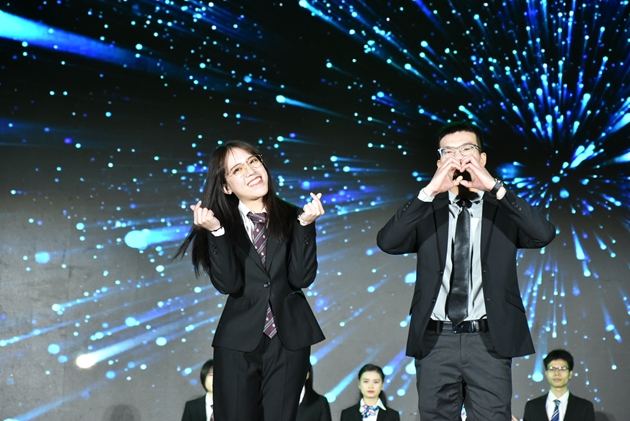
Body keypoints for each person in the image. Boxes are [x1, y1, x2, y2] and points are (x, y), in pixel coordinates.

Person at [376, 121, 556, 420]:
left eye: (467, 150)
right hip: (436, 339)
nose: (458, 158)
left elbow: (543, 234)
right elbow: (388, 242)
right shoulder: (427, 209)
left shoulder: (503, 210)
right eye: (448, 152)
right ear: (439, 162)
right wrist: (429, 191)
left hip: (488, 339)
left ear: (482, 158)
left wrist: (495, 188)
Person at [175, 140, 326, 421]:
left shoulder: (295, 216)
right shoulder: (219, 224)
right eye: (237, 169)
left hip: (288, 338)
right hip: (238, 339)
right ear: (226, 187)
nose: (251, 171)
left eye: (253, 161)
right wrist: (216, 232)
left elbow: (302, 278)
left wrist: (306, 226)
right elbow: (229, 285)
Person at [523, 349, 595, 421]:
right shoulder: (532, 407)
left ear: (570, 374)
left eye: (562, 369)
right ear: (546, 374)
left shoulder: (584, 407)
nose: (557, 373)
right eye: (552, 369)